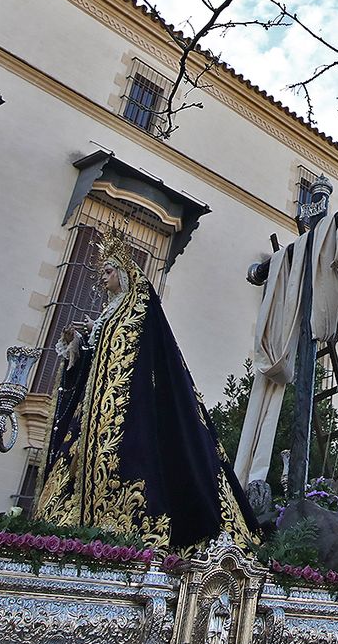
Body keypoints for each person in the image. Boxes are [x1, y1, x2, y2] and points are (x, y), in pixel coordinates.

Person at [35, 228, 258, 549]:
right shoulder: (108, 314)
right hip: (93, 414)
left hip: (126, 410)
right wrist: (78, 346)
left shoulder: (135, 311)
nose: (103, 278)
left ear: (124, 274)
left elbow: (134, 361)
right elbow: (99, 361)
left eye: (109, 271)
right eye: (103, 273)